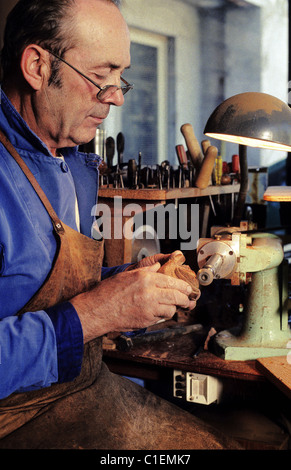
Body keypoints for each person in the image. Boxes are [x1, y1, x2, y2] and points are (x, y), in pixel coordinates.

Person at [0, 0, 240, 449]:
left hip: (82, 389)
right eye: (101, 77)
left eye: (120, 78)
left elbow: (47, 283)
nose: (117, 97)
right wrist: (102, 311)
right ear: (36, 65)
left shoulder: (72, 161)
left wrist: (132, 285)